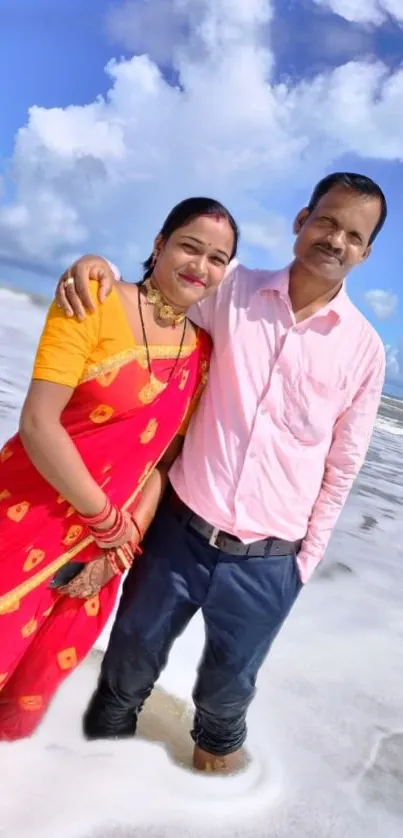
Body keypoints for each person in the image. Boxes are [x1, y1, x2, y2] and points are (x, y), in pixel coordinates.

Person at [55, 172, 387, 774]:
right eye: (327, 221)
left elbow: (343, 466)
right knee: (125, 670)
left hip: (269, 560)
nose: (336, 239)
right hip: (178, 532)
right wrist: (94, 264)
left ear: (366, 252)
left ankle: (217, 814)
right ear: (301, 222)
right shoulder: (231, 290)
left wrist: (302, 565)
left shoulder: (364, 349)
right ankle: (96, 787)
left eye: (354, 235)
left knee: (225, 702)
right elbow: (155, 299)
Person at [0, 197, 238, 741]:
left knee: (26, 696)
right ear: (159, 245)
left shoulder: (201, 351)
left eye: (218, 258)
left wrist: (123, 544)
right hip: (24, 520)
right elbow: (39, 423)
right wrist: (109, 524)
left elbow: (161, 460)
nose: (201, 266)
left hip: (102, 556)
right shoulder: (93, 301)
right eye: (190, 246)